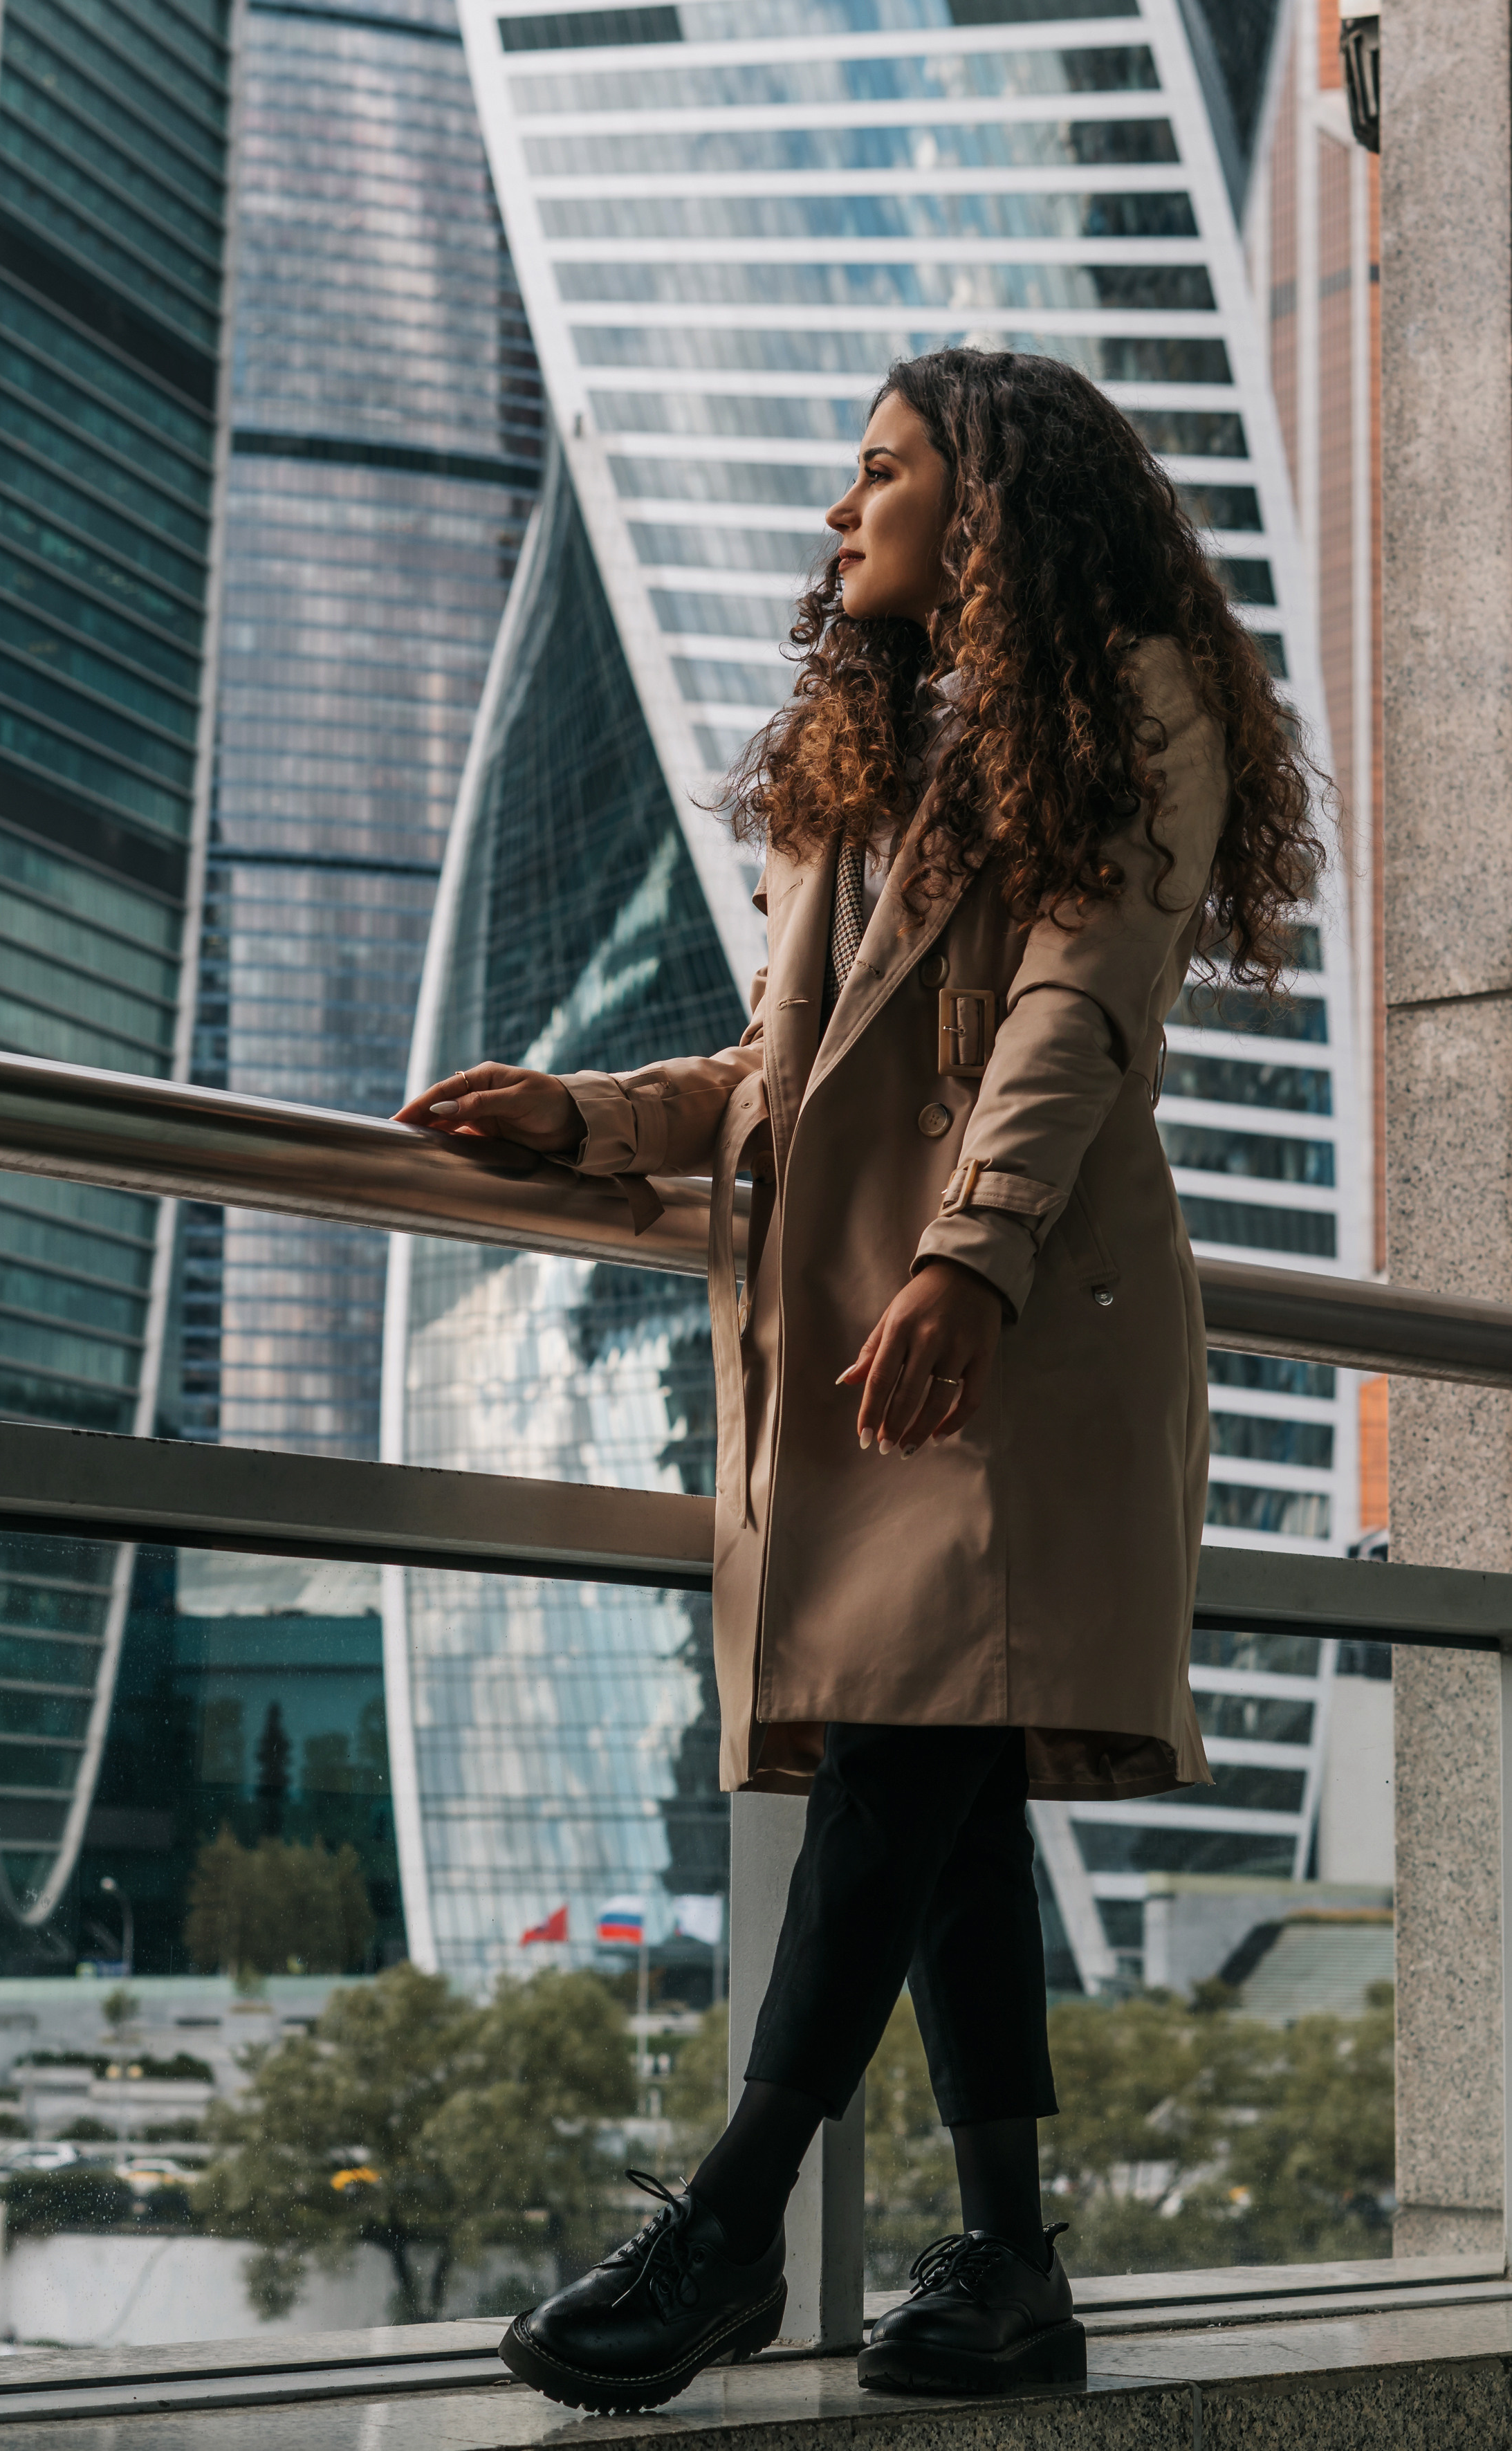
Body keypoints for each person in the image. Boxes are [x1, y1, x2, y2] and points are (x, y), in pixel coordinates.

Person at [396, 346, 1322, 2410]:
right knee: (944, 1792)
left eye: (878, 472)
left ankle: (724, 2230)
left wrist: (965, 1258)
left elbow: (1077, 1013)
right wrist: (592, 1117)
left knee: (906, 1770)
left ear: (983, 505)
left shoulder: (1137, 696)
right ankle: (1008, 2274)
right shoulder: (861, 751)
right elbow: (770, 1069)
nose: (842, 512)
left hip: (1004, 1329)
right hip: (847, 1337)